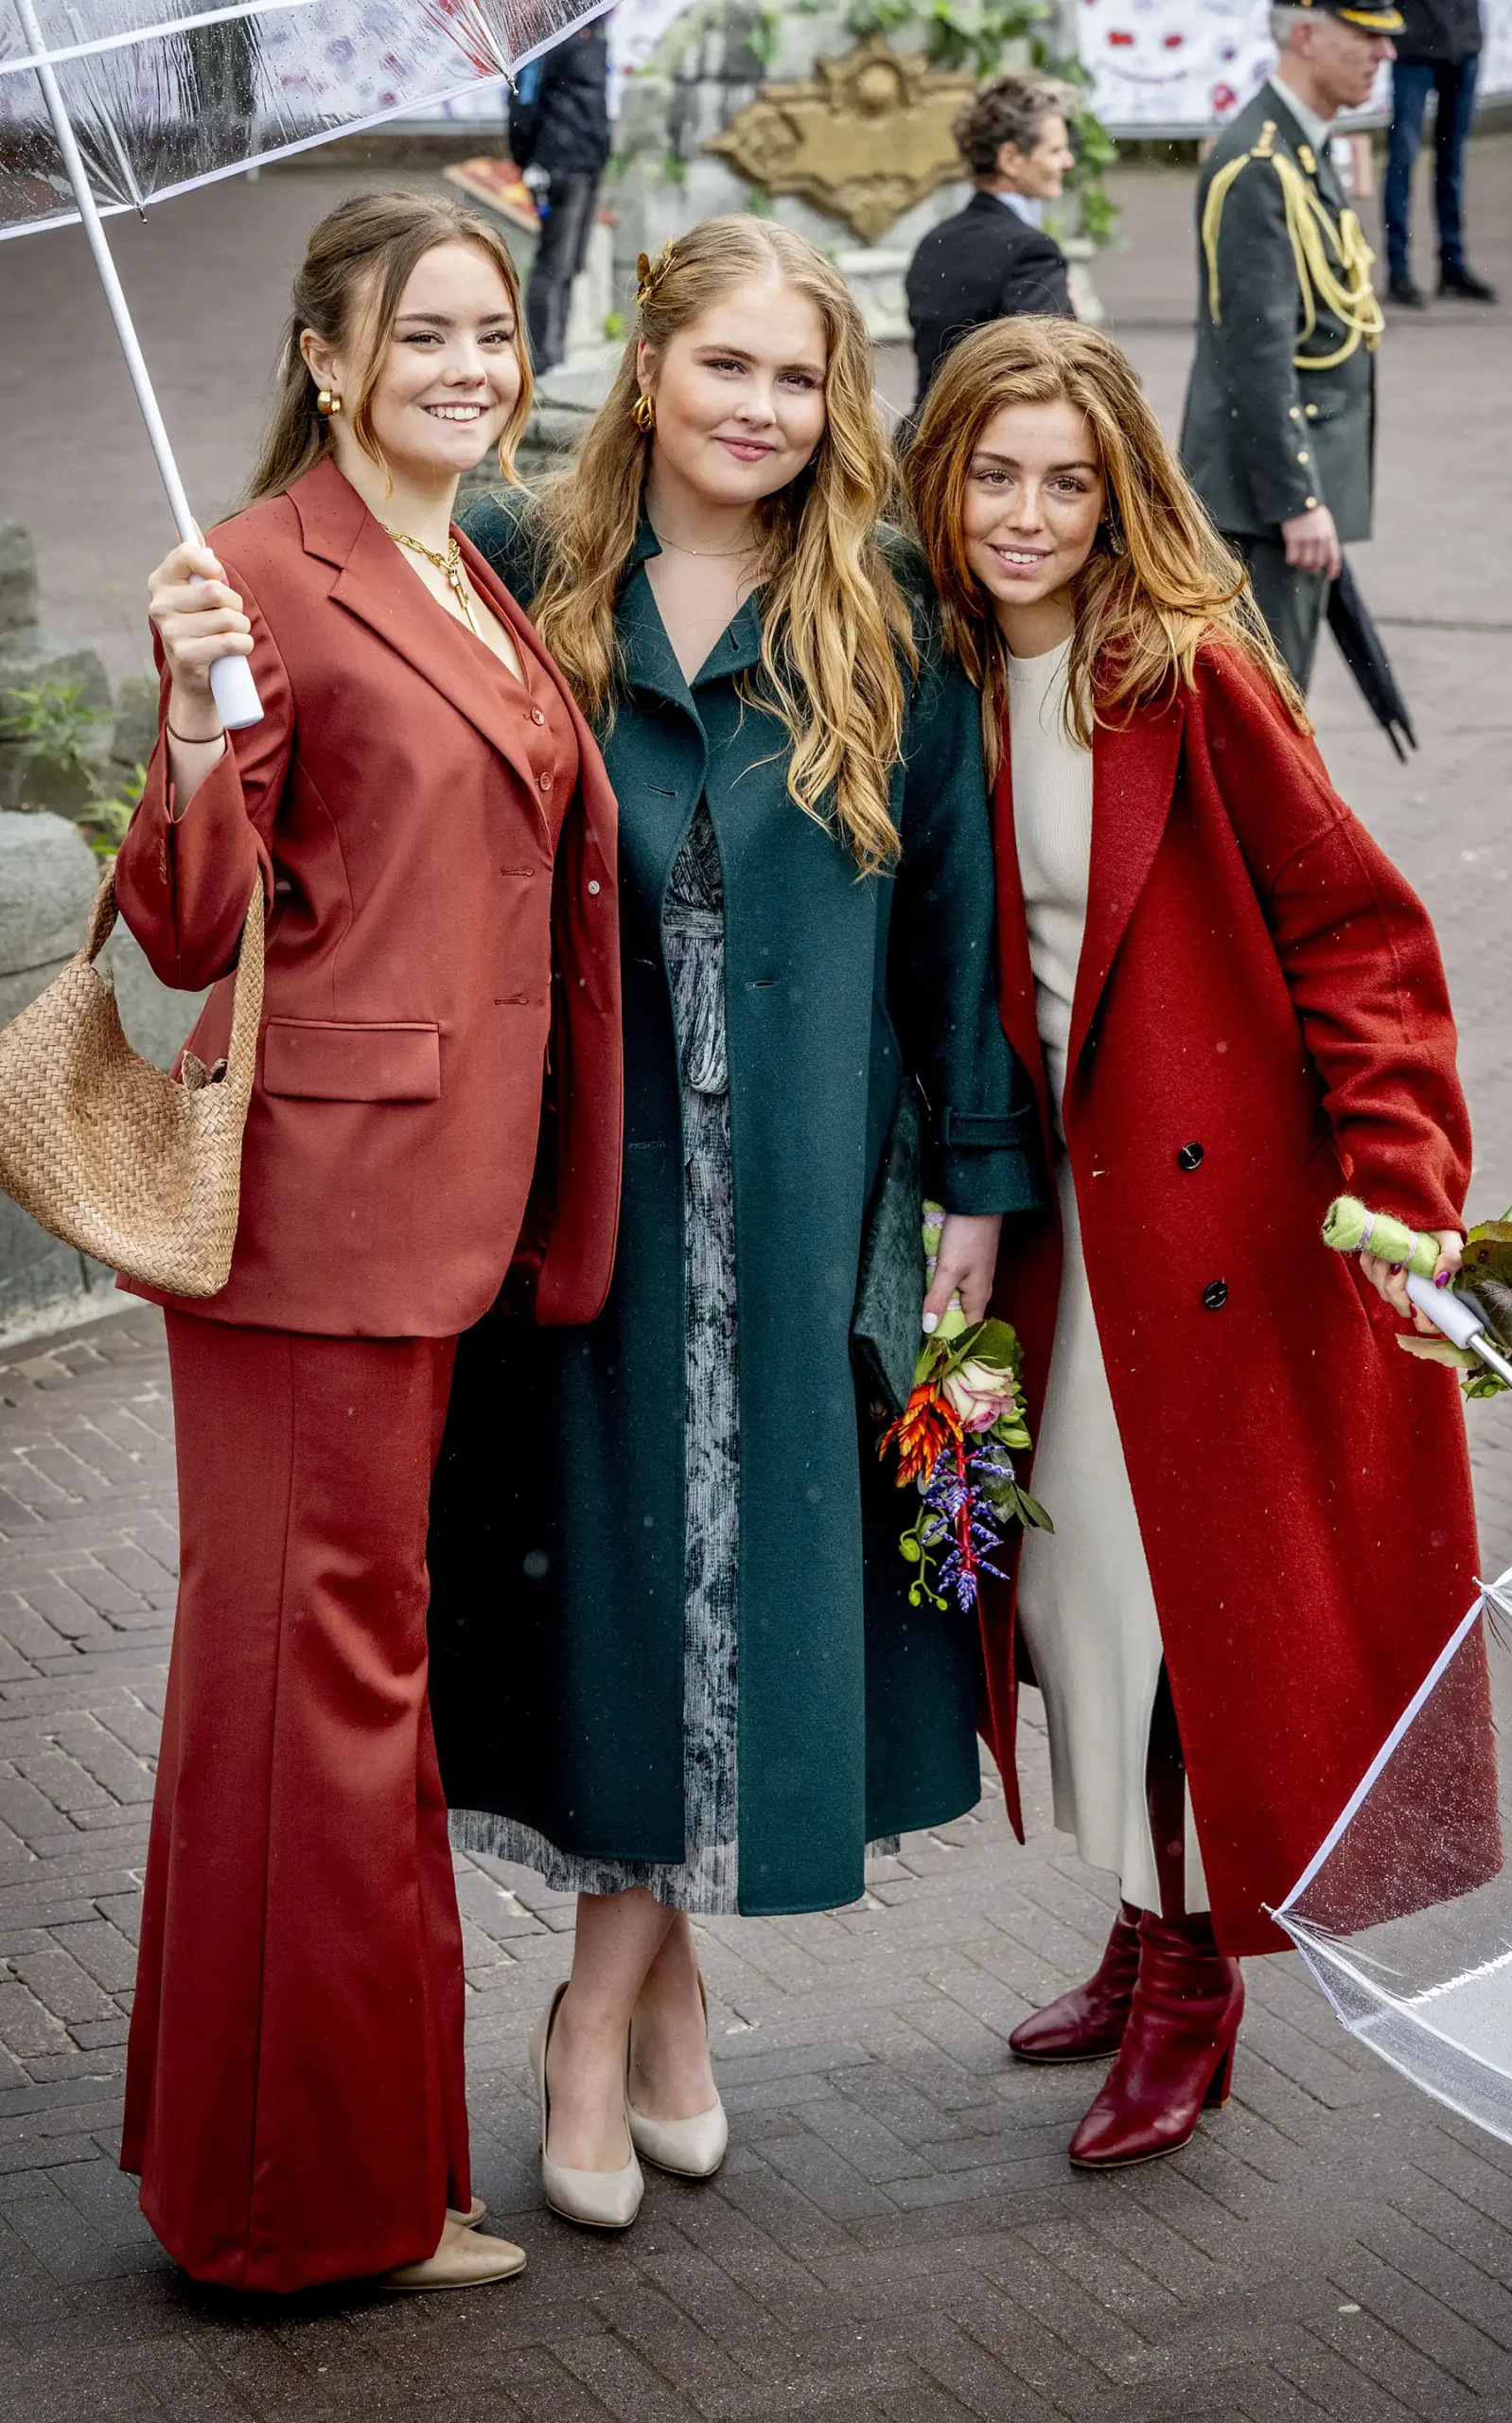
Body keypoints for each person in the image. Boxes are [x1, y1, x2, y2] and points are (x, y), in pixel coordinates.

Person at [426, 216, 1043, 2233]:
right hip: (579, 1185)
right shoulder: (524, 569)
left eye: (799, 377)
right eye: (727, 369)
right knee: (625, 1586)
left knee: (750, 1590)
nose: (762, 411)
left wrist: (972, 1181)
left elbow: (953, 925)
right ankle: (646, 2010)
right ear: (647, 362)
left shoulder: (890, 615)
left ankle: (591, 2019)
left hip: (802, 1187)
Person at [905, 314, 1488, 2168]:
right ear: (941, 477)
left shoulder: (1184, 673)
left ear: (1115, 495)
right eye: (992, 473)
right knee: (1066, 1607)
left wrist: (1399, 1177)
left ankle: (1193, 1981)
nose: (1023, 512)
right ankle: (1143, 1926)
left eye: (1063, 481)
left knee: (1153, 1613)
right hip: (1030, 1228)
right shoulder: (920, 678)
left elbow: (1355, 933)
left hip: (1209, 1228)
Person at [114, 190, 622, 2292]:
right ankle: (294, 2205)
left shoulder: (460, 559)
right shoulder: (254, 571)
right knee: (309, 1682)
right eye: (422, 333)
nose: (471, 368)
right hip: (316, 1223)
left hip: (437, 1210)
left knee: (342, 1680)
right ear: (327, 356)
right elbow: (184, 918)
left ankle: (344, 2163)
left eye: (493, 331)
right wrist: (185, 715)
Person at [1180, 0, 1398, 692]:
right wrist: (1296, 498)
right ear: (1305, 35)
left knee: (1273, 708)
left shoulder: (1296, 146)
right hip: (1262, 501)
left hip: (1279, 495)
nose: (1382, 54)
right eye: (1365, 35)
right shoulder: (1258, 165)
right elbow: (1254, 352)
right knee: (1264, 715)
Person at [905, 72, 1077, 413]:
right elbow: (1058, 371)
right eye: (1056, 150)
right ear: (1011, 159)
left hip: (921, 439)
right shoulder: (1031, 252)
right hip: (984, 447)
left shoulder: (935, 242)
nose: (1067, 162)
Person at [508, 17, 612, 374]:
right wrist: (528, 159)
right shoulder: (544, 37)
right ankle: (540, 356)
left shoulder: (594, 33)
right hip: (554, 164)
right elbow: (525, 99)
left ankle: (558, 353)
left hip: (588, 164)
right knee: (552, 263)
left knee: (570, 264)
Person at [1383, 0, 1495, 309]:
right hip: (1414, 49)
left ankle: (1452, 266)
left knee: (1452, 162)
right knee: (1403, 161)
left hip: (1463, 47)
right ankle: (1398, 272)